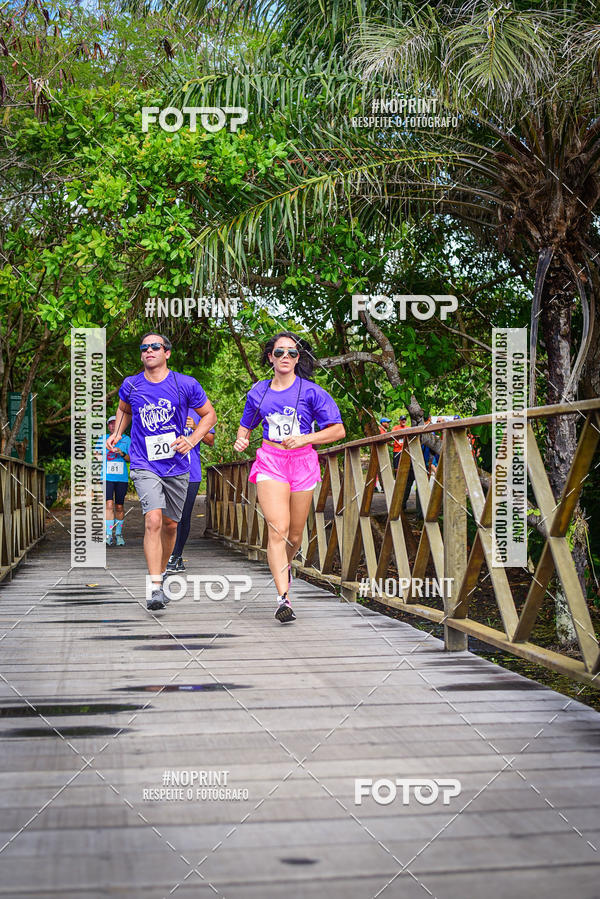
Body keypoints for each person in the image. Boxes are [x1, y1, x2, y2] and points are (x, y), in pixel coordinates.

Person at [234, 332, 345, 623]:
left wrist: (305, 438)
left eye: (292, 353)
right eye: (279, 352)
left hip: (303, 462)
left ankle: (285, 569)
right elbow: (246, 425)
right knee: (278, 529)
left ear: (298, 359)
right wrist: (241, 439)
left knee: (295, 535)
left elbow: (337, 430)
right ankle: (283, 598)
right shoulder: (258, 391)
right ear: (270, 356)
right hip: (271, 461)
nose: (285, 357)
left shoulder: (312, 392)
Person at [107, 332, 217, 611]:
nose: (148, 351)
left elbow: (210, 416)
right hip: (145, 463)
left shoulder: (185, 384)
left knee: (170, 525)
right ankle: (155, 586)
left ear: (167, 353)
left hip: (177, 464)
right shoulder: (131, 385)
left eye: (155, 346)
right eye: (144, 348)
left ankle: (164, 571)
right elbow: (123, 409)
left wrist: (192, 440)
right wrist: (117, 434)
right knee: (153, 520)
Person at [166, 410, 215, 572]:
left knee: (183, 515)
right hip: (167, 470)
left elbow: (211, 441)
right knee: (166, 516)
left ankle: (177, 555)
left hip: (191, 472)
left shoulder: (199, 412)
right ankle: (166, 554)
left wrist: (195, 427)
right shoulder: (167, 407)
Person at [97, 415, 131, 546]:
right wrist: (103, 453)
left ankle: (119, 534)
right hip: (107, 477)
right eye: (110, 424)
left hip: (121, 478)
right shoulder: (103, 439)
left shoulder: (127, 439)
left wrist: (120, 452)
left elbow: (131, 458)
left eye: (114, 423)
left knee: (119, 506)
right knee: (109, 505)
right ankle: (108, 534)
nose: (112, 426)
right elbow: (97, 456)